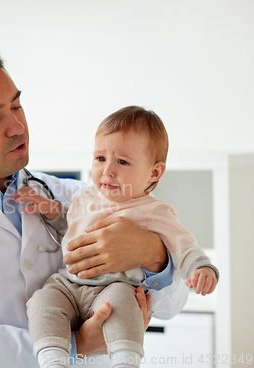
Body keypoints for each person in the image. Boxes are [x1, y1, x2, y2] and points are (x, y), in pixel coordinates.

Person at [0, 45, 188, 368]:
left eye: (17, 105)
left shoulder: (78, 198)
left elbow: (170, 305)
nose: (17, 126)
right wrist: (77, 344)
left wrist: (155, 256)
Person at [14, 106, 219, 368]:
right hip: (69, 283)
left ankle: (125, 361)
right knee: (42, 301)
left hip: (114, 287)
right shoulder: (85, 196)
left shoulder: (154, 211)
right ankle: (54, 360)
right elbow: (70, 221)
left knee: (124, 306)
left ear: (154, 173)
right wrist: (49, 209)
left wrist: (201, 267)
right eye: (100, 158)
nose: (107, 171)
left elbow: (183, 245)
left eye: (122, 162)